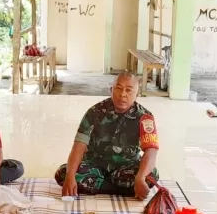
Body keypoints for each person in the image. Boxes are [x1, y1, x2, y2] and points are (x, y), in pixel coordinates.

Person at [55, 72, 159, 200]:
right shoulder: (95, 112)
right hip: (95, 166)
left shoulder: (145, 117)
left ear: (136, 94)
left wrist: (140, 177)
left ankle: (98, 187)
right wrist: (70, 176)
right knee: (64, 173)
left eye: (129, 90)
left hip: (125, 168)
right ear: (111, 90)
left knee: (151, 175)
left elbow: (151, 151)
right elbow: (79, 145)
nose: (123, 94)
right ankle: (122, 190)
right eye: (118, 88)